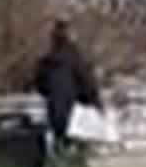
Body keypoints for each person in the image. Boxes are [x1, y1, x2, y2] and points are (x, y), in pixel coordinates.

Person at [34, 20, 99, 153]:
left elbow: (39, 84)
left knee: (59, 140)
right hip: (74, 107)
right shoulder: (76, 58)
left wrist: (52, 94)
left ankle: (61, 165)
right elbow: (86, 81)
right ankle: (75, 165)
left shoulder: (47, 60)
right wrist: (94, 101)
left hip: (54, 108)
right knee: (77, 142)